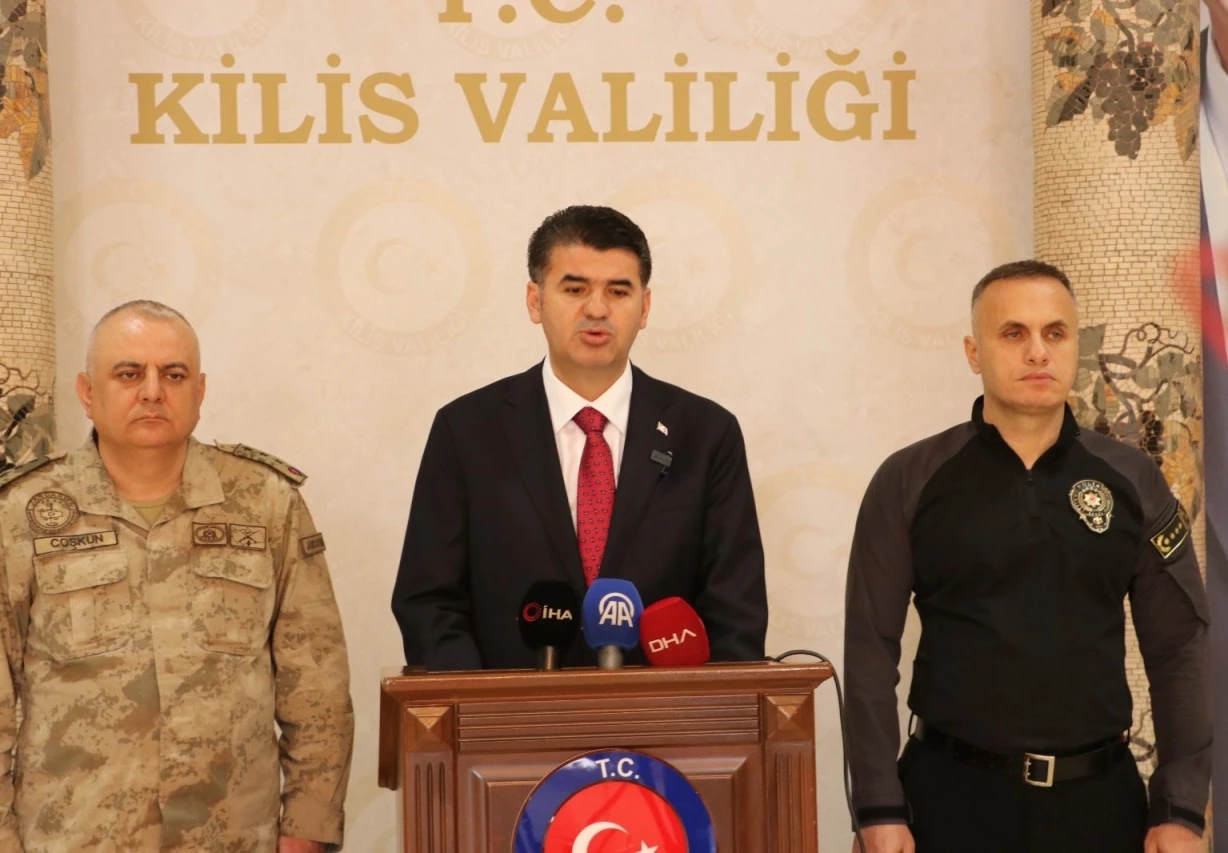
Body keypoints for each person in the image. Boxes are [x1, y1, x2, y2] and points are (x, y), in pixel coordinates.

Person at [0, 300, 354, 852]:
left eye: (174, 374)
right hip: (73, 837)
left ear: (200, 391)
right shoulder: (20, 513)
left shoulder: (265, 503)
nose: (153, 391)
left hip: (234, 837)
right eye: (129, 373)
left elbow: (317, 686)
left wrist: (307, 827)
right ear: (87, 392)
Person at [844, 261, 1209, 853]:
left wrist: (1181, 808)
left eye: (1054, 333)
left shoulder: (1133, 479)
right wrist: (878, 807)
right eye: (1013, 333)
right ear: (974, 352)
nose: (1037, 351)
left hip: (1100, 807)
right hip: (945, 801)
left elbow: (1180, 648)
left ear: (1075, 347)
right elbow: (868, 653)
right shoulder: (909, 479)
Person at [392, 205, 767, 670]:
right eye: (575, 289)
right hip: (507, 711)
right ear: (535, 301)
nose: (597, 309)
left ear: (645, 307)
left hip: (664, 713)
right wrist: (481, 705)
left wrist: (705, 707)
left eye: (618, 291)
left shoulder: (707, 434)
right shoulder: (467, 430)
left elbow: (737, 613)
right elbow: (429, 601)